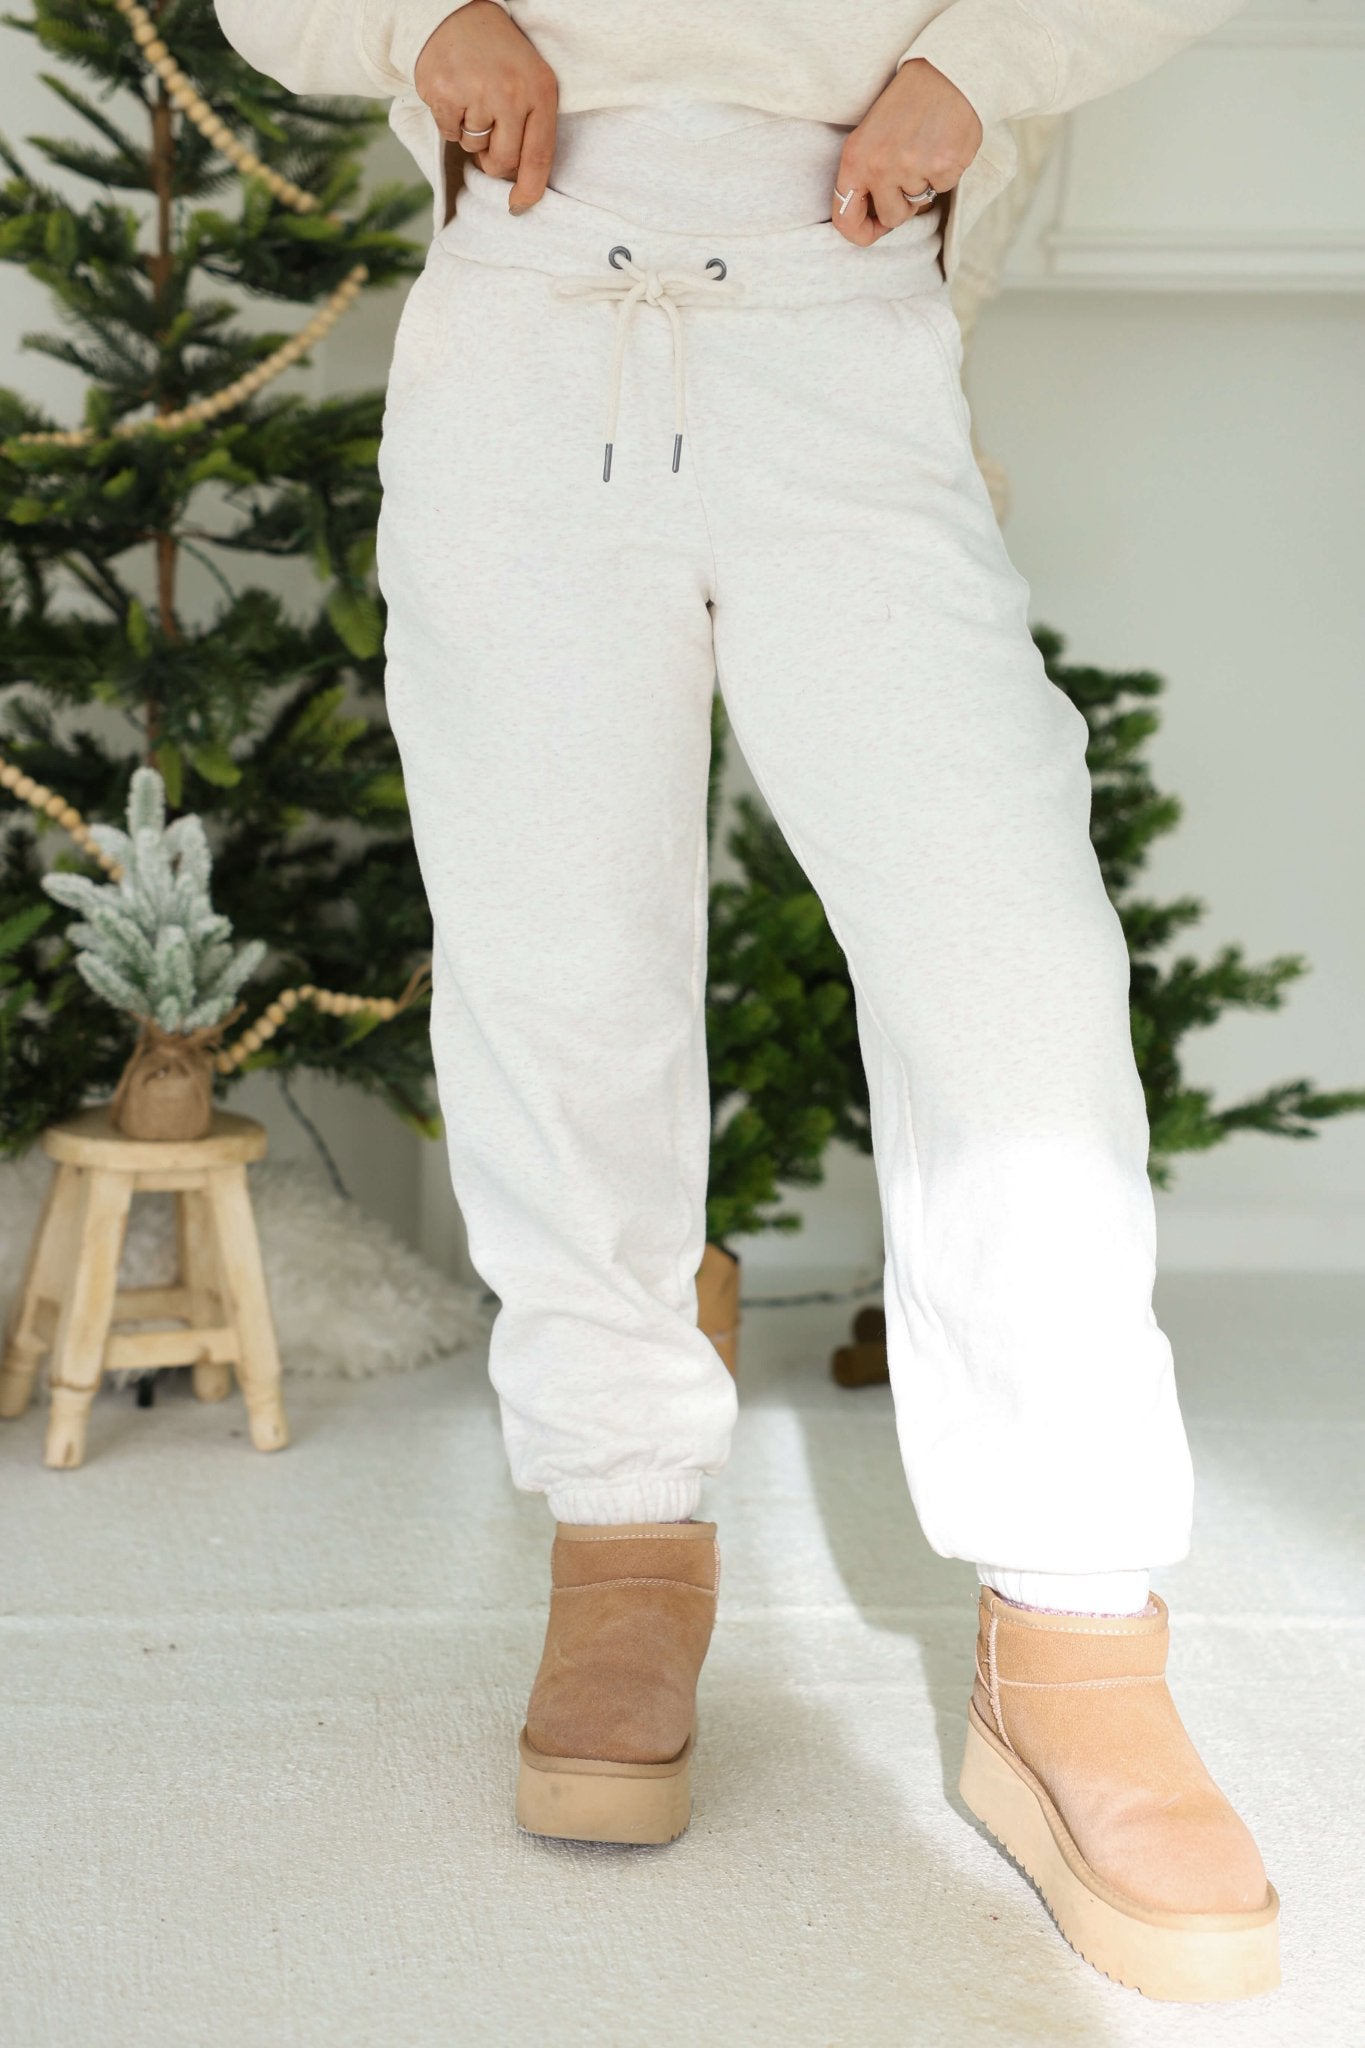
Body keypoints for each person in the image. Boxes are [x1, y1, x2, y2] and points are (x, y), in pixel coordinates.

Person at [216, 0, 1278, 2002]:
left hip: (841, 312)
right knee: (558, 967)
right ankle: (623, 1531)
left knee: (1006, 961)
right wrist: (420, 20)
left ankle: (1071, 1628)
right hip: (525, 321)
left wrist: (984, 68)